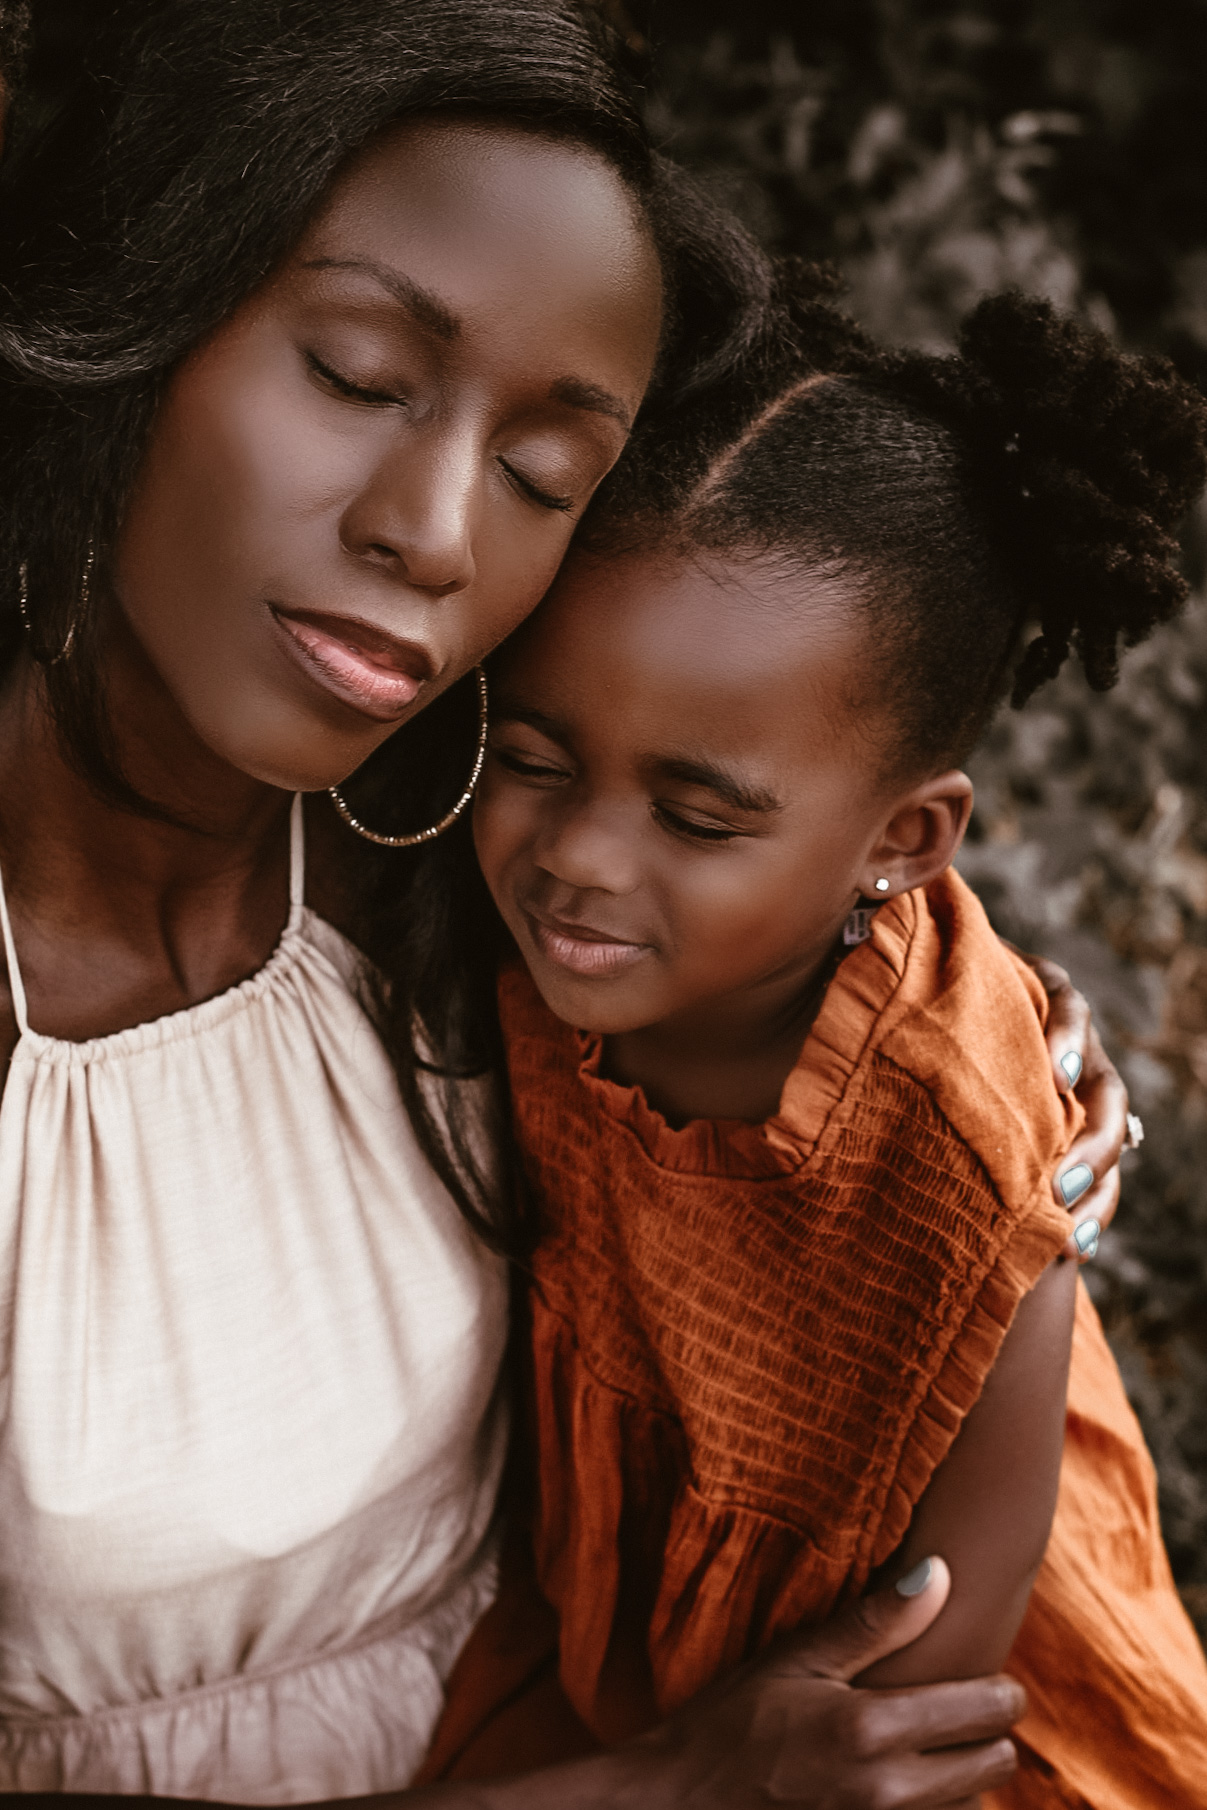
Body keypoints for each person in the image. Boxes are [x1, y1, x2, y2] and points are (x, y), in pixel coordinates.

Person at [0, 5, 1128, 1805]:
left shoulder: (439, 853)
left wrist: (957, 1016)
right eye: (359, 372)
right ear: (136, 313)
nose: (438, 529)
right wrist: (666, 1789)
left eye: (546, 473)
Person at [459, 286, 1207, 1806]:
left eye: (698, 816)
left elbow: (922, 1716)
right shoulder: (503, 929)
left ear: (907, 839)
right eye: (531, 755)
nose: (579, 858)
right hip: (599, 1689)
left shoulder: (964, 1183)